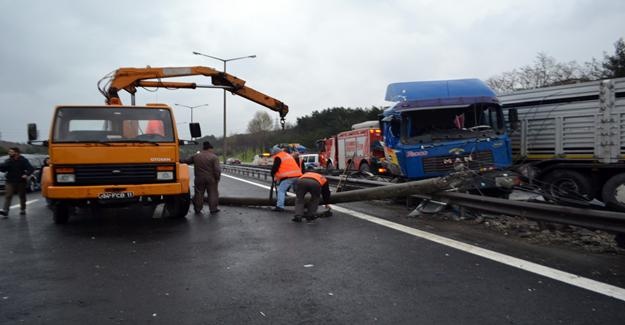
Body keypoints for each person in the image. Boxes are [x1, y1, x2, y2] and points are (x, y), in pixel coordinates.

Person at [182, 141, 221, 214]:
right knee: (213, 193)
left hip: (199, 178)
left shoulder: (196, 156)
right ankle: (213, 209)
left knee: (199, 194)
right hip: (211, 179)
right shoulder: (214, 157)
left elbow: (186, 161)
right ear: (210, 148)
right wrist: (217, 178)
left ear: (203, 148)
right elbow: (217, 169)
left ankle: (198, 209)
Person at [0, 147, 34, 218]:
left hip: (20, 181)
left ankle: (23, 209)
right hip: (10, 181)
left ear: (16, 153)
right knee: (8, 195)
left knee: (22, 196)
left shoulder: (23, 160)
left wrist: (26, 174)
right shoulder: (9, 160)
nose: (9, 153)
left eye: (11, 152)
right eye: (9, 152)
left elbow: (31, 168)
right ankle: (5, 211)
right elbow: (4, 169)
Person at [270, 146, 302, 212]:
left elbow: (275, 168)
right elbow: (286, 166)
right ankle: (303, 205)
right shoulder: (287, 155)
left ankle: (280, 206)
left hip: (289, 177)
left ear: (275, 152)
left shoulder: (278, 157)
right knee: (298, 192)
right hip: (298, 175)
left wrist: (272, 174)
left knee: (281, 190)